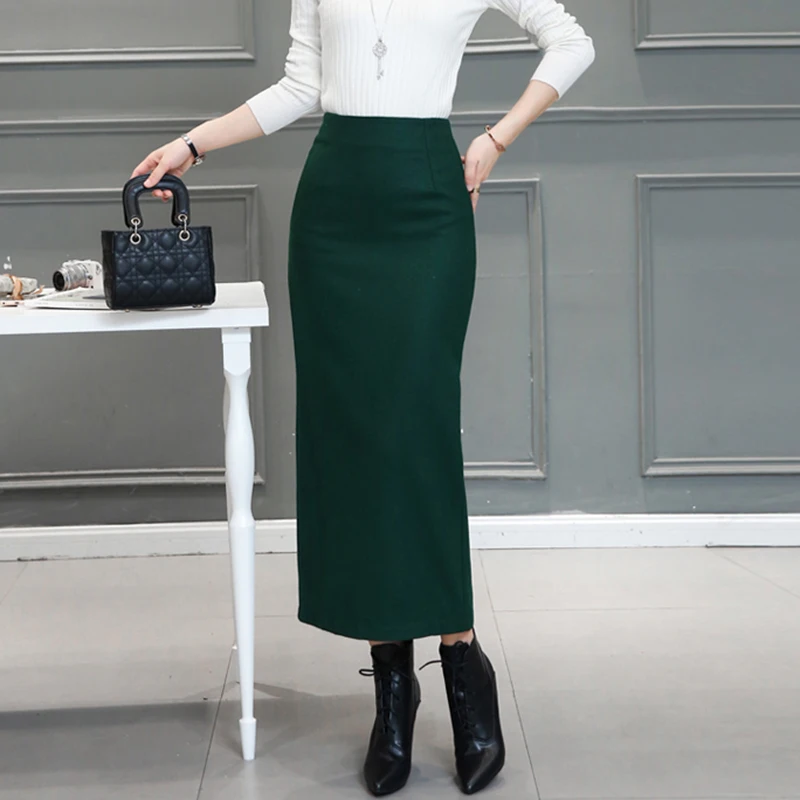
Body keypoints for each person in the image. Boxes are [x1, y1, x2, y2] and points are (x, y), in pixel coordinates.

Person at [131, 0, 594, 795]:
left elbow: (572, 42)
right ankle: (391, 681)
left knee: (417, 432)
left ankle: (460, 657)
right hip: (335, 209)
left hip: (426, 202)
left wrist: (494, 139)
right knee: (354, 439)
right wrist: (193, 144)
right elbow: (299, 87)